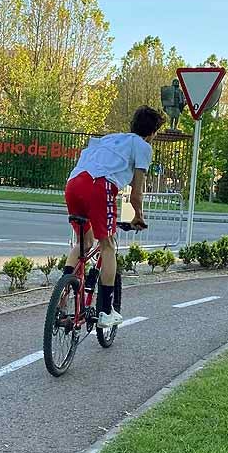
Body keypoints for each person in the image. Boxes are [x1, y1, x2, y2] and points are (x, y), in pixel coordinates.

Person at [63, 105, 165, 328]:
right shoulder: (143, 146)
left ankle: (61, 298)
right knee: (107, 245)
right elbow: (136, 192)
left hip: (74, 184)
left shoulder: (111, 139)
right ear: (152, 133)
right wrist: (138, 216)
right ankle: (106, 312)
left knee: (83, 242)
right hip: (98, 187)